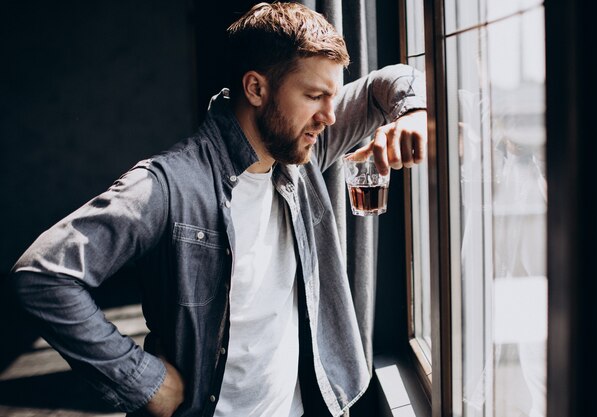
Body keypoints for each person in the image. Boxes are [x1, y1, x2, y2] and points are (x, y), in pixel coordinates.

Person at [9, 2, 427, 417]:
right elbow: (42, 275)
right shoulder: (169, 184)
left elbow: (389, 82)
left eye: (333, 97)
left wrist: (412, 112)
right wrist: (143, 379)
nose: (329, 117)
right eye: (315, 96)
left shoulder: (303, 151)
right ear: (256, 89)